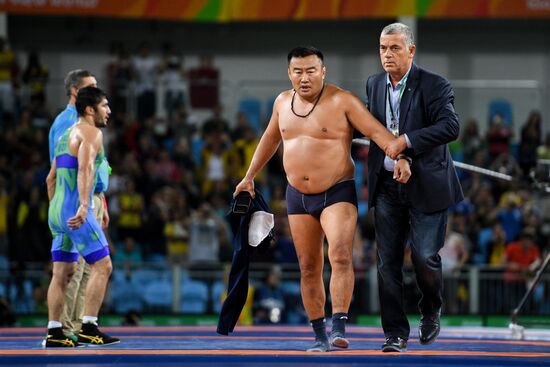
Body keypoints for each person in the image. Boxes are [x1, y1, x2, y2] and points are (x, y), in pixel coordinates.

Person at [233, 46, 408, 352]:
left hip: (336, 192)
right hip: (296, 195)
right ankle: (318, 335)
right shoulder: (281, 102)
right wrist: (249, 176)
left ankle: (339, 325)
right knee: (308, 267)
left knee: (340, 255)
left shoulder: (343, 101)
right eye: (298, 71)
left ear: (323, 72)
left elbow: (377, 133)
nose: (304, 78)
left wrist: (401, 154)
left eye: (311, 71)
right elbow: (270, 139)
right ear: (289, 74)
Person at [365, 23, 463, 352]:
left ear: (411, 50)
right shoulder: (374, 84)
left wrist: (406, 144)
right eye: (382, 48)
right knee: (387, 262)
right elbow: (376, 129)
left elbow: (450, 126)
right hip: (386, 186)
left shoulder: (434, 84)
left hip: (427, 185)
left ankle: (431, 310)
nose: (387, 54)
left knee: (424, 256)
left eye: (394, 48)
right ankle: (394, 333)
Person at [45, 86, 118, 347]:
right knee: (103, 266)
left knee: (62, 271)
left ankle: (54, 333)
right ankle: (89, 326)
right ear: (90, 109)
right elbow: (86, 169)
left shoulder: (65, 135)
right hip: (77, 209)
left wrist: (56, 210)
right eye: (105, 106)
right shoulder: (91, 132)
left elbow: (50, 178)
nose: (108, 111)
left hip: (57, 209)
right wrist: (85, 206)